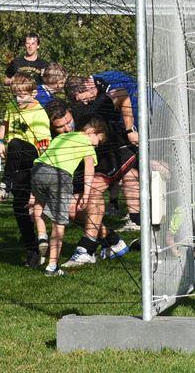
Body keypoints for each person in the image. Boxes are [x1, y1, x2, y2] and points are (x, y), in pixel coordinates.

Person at [32, 117, 128, 275]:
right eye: (98, 141)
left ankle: (42, 236)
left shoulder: (62, 137)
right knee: (59, 222)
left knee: (38, 205)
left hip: (37, 170)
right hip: (60, 177)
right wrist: (86, 194)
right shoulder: (87, 144)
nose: (96, 145)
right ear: (92, 131)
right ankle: (52, 266)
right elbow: (89, 172)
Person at [67, 74, 142, 233]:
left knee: (125, 177)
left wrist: (130, 130)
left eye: (78, 96)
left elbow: (122, 93)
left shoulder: (102, 100)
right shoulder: (78, 108)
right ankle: (109, 234)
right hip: (99, 154)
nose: (81, 101)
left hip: (119, 148)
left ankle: (135, 220)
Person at [0, 73, 53, 267]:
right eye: (15, 95)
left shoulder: (39, 113)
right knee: (20, 206)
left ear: (33, 93)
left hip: (33, 159)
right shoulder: (12, 106)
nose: (18, 99)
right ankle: (32, 250)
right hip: (16, 163)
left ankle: (5, 185)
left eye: (21, 96)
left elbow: (44, 145)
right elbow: (5, 123)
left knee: (16, 143)